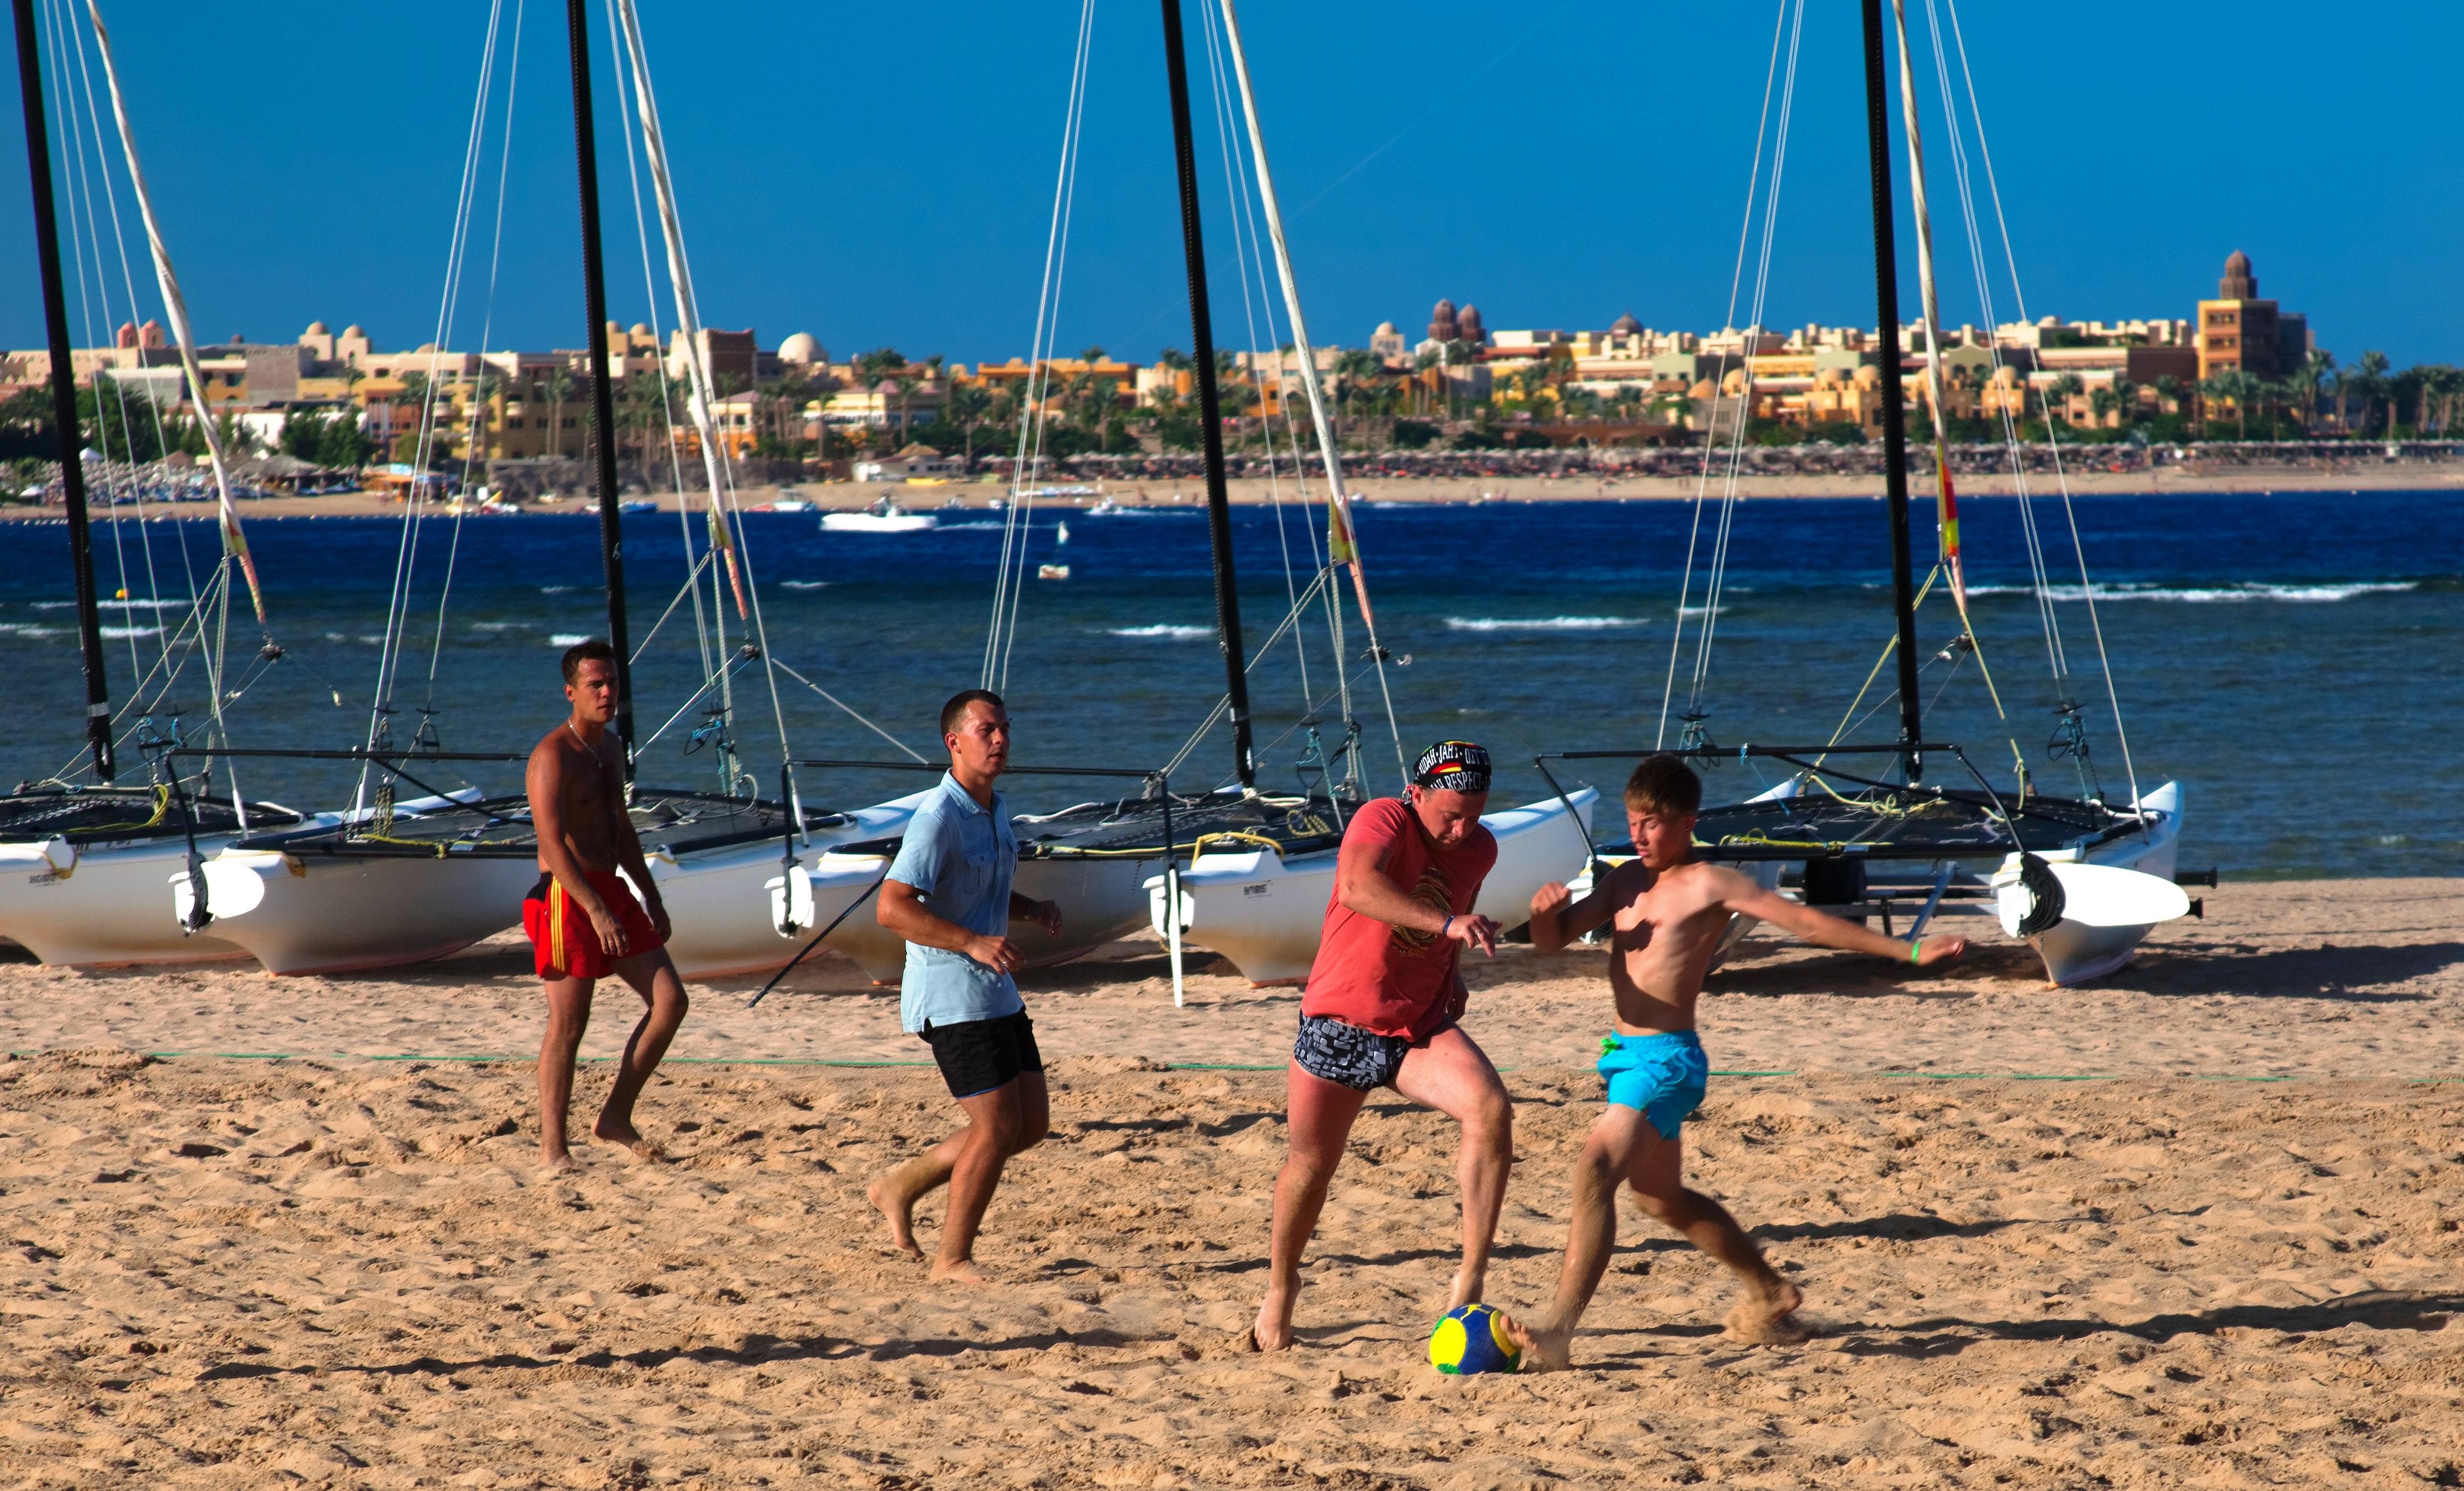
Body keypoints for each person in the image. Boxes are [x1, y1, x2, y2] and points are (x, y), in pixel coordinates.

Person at [1506, 753, 1967, 1367]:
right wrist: (1542, 915)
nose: (1640, 834)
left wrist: (1905, 949)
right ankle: (1770, 1290)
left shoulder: (1710, 883)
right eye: (1633, 820)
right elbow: (1551, 942)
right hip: (1623, 1056)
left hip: (1667, 1062)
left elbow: (1803, 920)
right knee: (1659, 1197)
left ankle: (1559, 1330)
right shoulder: (1622, 882)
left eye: (1654, 823)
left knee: (1594, 1171)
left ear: (1687, 820)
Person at [1252, 740, 1509, 1352]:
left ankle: (1469, 1278)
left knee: (1491, 1108)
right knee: (1311, 1167)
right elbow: (1356, 886)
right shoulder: (1384, 817)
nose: (1461, 827)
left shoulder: (1481, 846)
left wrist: (1452, 970)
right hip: (1340, 1022)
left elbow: (1456, 904)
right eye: (1449, 813)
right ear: (1416, 794)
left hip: (1416, 1025)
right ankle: (1281, 1288)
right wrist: (1447, 927)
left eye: (1474, 812)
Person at [867, 689, 1066, 1282]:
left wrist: (1028, 909)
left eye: (1005, 727)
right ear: (954, 741)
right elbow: (892, 908)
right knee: (996, 1126)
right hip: (951, 994)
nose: (1001, 738)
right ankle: (951, 1258)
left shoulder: (995, 807)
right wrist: (974, 942)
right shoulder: (938, 818)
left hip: (995, 990)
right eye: (987, 729)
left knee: (1028, 1125)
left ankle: (899, 1184)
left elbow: (981, 889)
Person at [523, 638, 688, 1171]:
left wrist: (649, 892)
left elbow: (620, 831)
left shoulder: (611, 748)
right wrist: (595, 909)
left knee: (670, 1001)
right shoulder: (553, 756)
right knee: (569, 1024)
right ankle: (554, 1149)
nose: (607, 692)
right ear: (570, 691)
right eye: (596, 684)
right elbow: (550, 845)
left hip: (611, 888)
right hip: (566, 897)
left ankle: (615, 1115)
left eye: (613, 682)